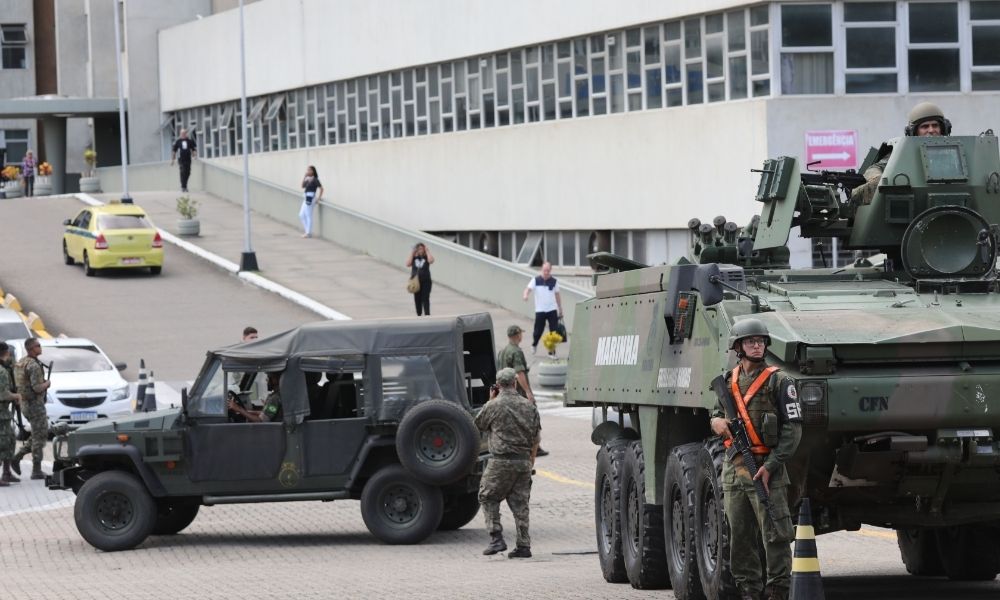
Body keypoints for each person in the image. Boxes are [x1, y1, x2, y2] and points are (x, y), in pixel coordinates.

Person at [709, 319, 802, 600]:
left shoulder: (780, 380)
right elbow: (715, 413)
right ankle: (748, 590)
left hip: (765, 468)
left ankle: (777, 591)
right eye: (751, 341)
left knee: (775, 534)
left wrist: (771, 466)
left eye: (760, 341)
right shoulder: (728, 381)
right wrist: (716, 423)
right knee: (739, 536)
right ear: (738, 346)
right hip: (734, 469)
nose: (757, 345)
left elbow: (793, 430)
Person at [475, 368, 541, 559]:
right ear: (515, 383)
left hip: (500, 462)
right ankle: (523, 545)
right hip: (523, 461)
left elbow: (478, 424)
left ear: (498, 384)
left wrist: (490, 400)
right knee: (521, 504)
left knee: (487, 496)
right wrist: (531, 462)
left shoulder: (494, 405)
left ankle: (496, 538)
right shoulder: (529, 407)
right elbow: (536, 438)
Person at [852, 102, 950, 205]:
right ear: (914, 131)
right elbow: (874, 168)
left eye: (935, 125)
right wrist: (878, 179)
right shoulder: (904, 152)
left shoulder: (954, 150)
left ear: (943, 128)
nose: (931, 130)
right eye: (925, 127)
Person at [12, 338, 52, 480]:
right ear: (31, 348)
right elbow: (37, 388)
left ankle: (18, 457)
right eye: (38, 346)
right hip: (35, 405)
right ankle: (35, 470)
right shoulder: (34, 366)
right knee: (39, 438)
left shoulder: (21, 362)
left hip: (25, 404)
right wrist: (47, 384)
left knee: (38, 435)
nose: (40, 347)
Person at [523, 262, 563, 356]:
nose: (546, 272)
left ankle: (552, 351)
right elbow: (528, 289)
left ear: (550, 271)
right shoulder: (535, 280)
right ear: (542, 269)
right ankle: (534, 344)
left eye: (548, 271)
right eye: (544, 270)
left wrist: (560, 308)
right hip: (540, 310)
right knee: (538, 330)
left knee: (554, 331)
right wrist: (525, 295)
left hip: (552, 309)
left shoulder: (554, 281)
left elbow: (557, 295)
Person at [0, 342, 22, 485]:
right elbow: (3, 394)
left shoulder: (4, 368)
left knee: (10, 441)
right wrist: (17, 396)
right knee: (2, 444)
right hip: (1, 413)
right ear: (6, 352)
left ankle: (7, 473)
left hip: (4, 414)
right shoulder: (1, 371)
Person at [405, 243, 434, 316]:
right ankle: (419, 314)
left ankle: (427, 314)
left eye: (421, 248)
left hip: (426, 281)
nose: (420, 250)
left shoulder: (426, 257)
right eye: (418, 249)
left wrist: (427, 251)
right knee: (417, 298)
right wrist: (412, 252)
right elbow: (408, 264)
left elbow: (431, 261)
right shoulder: (414, 258)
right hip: (416, 282)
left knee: (425, 297)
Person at [170, 128, 198, 193]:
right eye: (182, 133)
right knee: (183, 171)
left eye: (184, 133)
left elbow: (193, 149)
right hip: (181, 159)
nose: (183, 134)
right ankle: (183, 187)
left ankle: (185, 186)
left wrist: (194, 156)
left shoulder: (189, 141)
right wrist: (173, 160)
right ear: (180, 134)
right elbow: (174, 151)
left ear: (186, 134)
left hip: (188, 159)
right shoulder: (178, 141)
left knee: (188, 172)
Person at [300, 165, 324, 238]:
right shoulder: (307, 179)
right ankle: (307, 231)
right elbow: (302, 186)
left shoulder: (315, 179)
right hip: (306, 197)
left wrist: (318, 198)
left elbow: (321, 188)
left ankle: (308, 233)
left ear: (313, 171)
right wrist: (304, 177)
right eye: (307, 170)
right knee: (301, 215)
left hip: (311, 197)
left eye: (310, 170)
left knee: (308, 215)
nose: (308, 171)